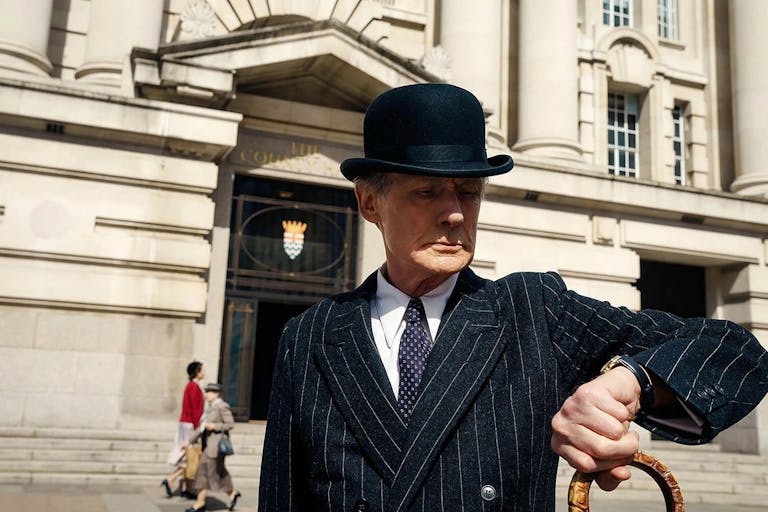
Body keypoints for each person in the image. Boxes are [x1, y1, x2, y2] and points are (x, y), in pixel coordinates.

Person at [258, 83, 768, 511]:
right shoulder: (310, 338)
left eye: (469, 192)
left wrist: (630, 382)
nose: (455, 212)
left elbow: (735, 351)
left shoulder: (532, 312)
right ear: (370, 201)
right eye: (427, 192)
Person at [182, 383, 242, 512]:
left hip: (215, 447)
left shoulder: (222, 406)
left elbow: (230, 424)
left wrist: (215, 426)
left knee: (202, 472)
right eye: (206, 391)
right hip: (208, 446)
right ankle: (232, 493)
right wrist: (189, 441)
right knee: (219, 473)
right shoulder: (209, 408)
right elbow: (201, 428)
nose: (206, 394)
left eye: (209, 392)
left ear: (216, 394)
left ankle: (200, 503)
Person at [162, 360, 205, 498]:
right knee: (190, 455)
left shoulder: (192, 386)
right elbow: (194, 409)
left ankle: (187, 488)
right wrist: (197, 428)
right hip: (190, 424)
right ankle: (171, 479)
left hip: (187, 423)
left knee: (188, 455)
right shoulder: (193, 387)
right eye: (202, 370)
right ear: (197, 372)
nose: (204, 372)